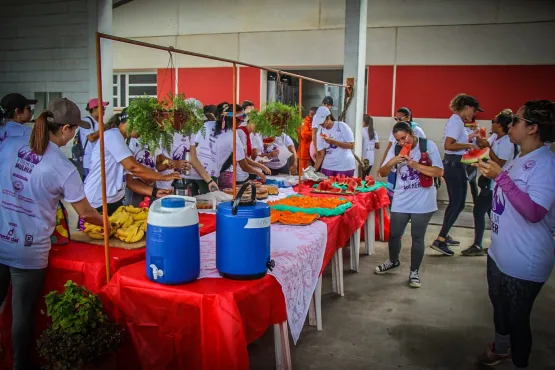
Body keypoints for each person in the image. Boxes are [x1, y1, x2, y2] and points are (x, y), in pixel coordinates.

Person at [0, 98, 105, 369]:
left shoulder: (10, 142)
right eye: (74, 130)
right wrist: (108, 223)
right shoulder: (62, 167)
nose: (74, 135)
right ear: (66, 129)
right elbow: (85, 213)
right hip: (28, 249)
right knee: (22, 315)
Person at [474, 100, 555, 370]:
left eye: (517, 120)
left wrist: (501, 178)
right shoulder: (518, 158)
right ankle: (500, 348)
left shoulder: (545, 164)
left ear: (533, 128)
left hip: (525, 260)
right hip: (499, 253)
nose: (511, 124)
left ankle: (519, 363)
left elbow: (534, 212)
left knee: (518, 320)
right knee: (499, 308)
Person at [375, 122, 444, 288]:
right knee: (394, 234)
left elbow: (439, 172)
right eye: (398, 140)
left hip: (423, 200)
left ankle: (414, 272)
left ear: (411, 133)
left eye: (404, 138)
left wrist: (415, 165)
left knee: (417, 238)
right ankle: (393, 261)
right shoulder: (396, 149)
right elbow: (381, 172)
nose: (402, 143)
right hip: (401, 198)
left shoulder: (428, 146)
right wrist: (392, 161)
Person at [84, 110, 181, 215]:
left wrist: (155, 191)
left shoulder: (123, 140)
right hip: (98, 201)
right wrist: (162, 177)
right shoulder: (112, 135)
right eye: (143, 127)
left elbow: (130, 181)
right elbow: (133, 167)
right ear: (133, 122)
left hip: (113, 200)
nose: (143, 132)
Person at [430, 93, 483, 256]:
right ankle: (440, 239)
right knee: (458, 203)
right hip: (454, 164)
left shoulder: (457, 121)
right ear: (466, 108)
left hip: (454, 164)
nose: (474, 114)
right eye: (473, 110)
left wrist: (470, 137)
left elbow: (454, 140)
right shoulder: (457, 121)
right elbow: (449, 145)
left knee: (455, 202)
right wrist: (469, 144)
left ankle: (445, 235)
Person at [462, 110, 516, 257]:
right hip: (489, 183)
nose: (492, 123)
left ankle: (477, 245)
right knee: (492, 214)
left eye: (494, 121)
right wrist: (480, 142)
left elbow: (499, 162)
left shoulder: (507, 143)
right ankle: (500, 243)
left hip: (496, 185)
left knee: (478, 211)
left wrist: (487, 147)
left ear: (500, 125)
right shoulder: (495, 138)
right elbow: (484, 150)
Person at [157, 103, 220, 196]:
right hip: (163, 184)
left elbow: (193, 159)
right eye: (193, 120)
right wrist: (175, 163)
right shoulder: (164, 132)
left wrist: (209, 181)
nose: (195, 123)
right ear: (182, 116)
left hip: (180, 184)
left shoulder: (190, 133)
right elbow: (158, 159)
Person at [214, 103, 268, 189]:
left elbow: (243, 157)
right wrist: (259, 173)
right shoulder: (234, 136)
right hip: (227, 175)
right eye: (240, 120)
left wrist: (260, 167)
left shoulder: (213, 128)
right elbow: (244, 165)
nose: (241, 123)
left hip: (212, 173)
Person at [312, 106, 356, 177]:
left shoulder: (342, 126)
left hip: (345, 165)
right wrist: (313, 170)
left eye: (322, 122)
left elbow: (351, 145)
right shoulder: (319, 132)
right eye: (320, 123)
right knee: (325, 187)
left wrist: (334, 142)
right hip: (328, 166)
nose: (321, 125)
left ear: (328, 118)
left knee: (343, 187)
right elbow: (321, 154)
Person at [75, 98, 109, 179]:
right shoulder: (86, 121)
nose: (104, 110)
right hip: (90, 161)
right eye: (102, 108)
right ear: (94, 108)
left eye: (104, 108)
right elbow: (91, 138)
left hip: (98, 160)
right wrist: (104, 128)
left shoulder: (99, 122)